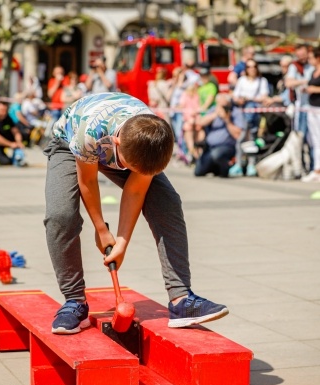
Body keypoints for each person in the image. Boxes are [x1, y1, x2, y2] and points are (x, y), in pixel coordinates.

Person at [43, 92, 229, 335]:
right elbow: (87, 181)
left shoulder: (154, 135)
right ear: (117, 145)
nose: (130, 173)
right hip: (70, 143)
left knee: (167, 201)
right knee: (60, 215)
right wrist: (101, 230)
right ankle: (74, 302)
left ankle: (181, 300)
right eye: (130, 168)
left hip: (129, 145)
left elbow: (135, 191)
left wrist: (121, 241)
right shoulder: (88, 134)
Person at [229, 59, 270, 177]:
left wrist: (249, 98)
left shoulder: (262, 81)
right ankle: (238, 163)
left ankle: (251, 164)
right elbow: (235, 96)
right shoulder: (242, 80)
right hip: (242, 114)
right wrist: (241, 99)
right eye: (249, 67)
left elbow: (263, 97)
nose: (251, 69)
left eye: (254, 66)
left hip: (254, 114)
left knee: (252, 138)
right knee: (241, 138)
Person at [194, 94, 245, 178]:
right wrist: (215, 114)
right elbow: (201, 122)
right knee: (198, 172)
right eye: (220, 105)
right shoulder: (214, 110)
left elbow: (238, 135)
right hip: (210, 147)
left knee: (216, 154)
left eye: (225, 105)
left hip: (227, 147)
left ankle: (225, 169)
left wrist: (227, 120)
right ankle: (215, 168)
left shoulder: (235, 112)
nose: (222, 108)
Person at [285, 44, 315, 173]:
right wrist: (305, 82)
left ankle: (315, 167)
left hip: (314, 107)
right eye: (299, 55)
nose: (302, 58)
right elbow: (289, 83)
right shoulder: (295, 67)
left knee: (314, 139)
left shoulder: (314, 65)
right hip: (302, 108)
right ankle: (301, 168)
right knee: (300, 139)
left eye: (303, 55)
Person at [301, 48, 320, 182]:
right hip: (312, 109)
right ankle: (317, 169)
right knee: (315, 140)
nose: (309, 60)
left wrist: (315, 89)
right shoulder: (313, 71)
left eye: (311, 57)